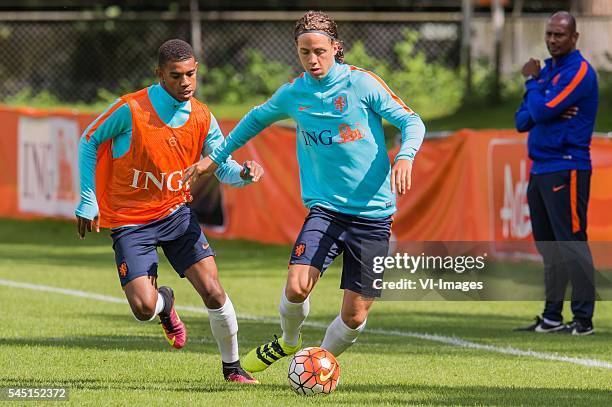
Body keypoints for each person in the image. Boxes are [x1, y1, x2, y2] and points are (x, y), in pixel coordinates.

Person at [183, 11, 426, 372]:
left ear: (336, 48)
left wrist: (405, 157)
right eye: (304, 52)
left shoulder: (362, 84)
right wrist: (214, 159)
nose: (312, 60)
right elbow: (253, 120)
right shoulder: (294, 94)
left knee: (355, 316)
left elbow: (411, 120)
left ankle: (317, 364)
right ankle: (289, 341)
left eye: (319, 51)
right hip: (326, 210)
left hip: (374, 216)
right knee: (297, 287)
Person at [75, 39, 262, 382]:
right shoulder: (131, 109)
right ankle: (166, 304)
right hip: (132, 223)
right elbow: (89, 139)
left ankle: (233, 368)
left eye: (191, 74)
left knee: (213, 290)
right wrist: (88, 199)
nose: (186, 82)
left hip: (176, 214)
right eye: (176, 76)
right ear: (159, 74)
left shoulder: (203, 116)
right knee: (144, 308)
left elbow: (223, 166)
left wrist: (244, 174)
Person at [514, 11, 598, 335]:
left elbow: (541, 110)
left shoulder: (578, 71)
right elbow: (523, 120)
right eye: (549, 34)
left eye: (559, 35)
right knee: (549, 246)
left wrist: (534, 87)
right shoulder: (548, 71)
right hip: (541, 168)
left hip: (568, 165)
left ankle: (583, 320)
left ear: (574, 37)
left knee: (572, 242)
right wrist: (542, 102)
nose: (552, 40)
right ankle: (551, 317)